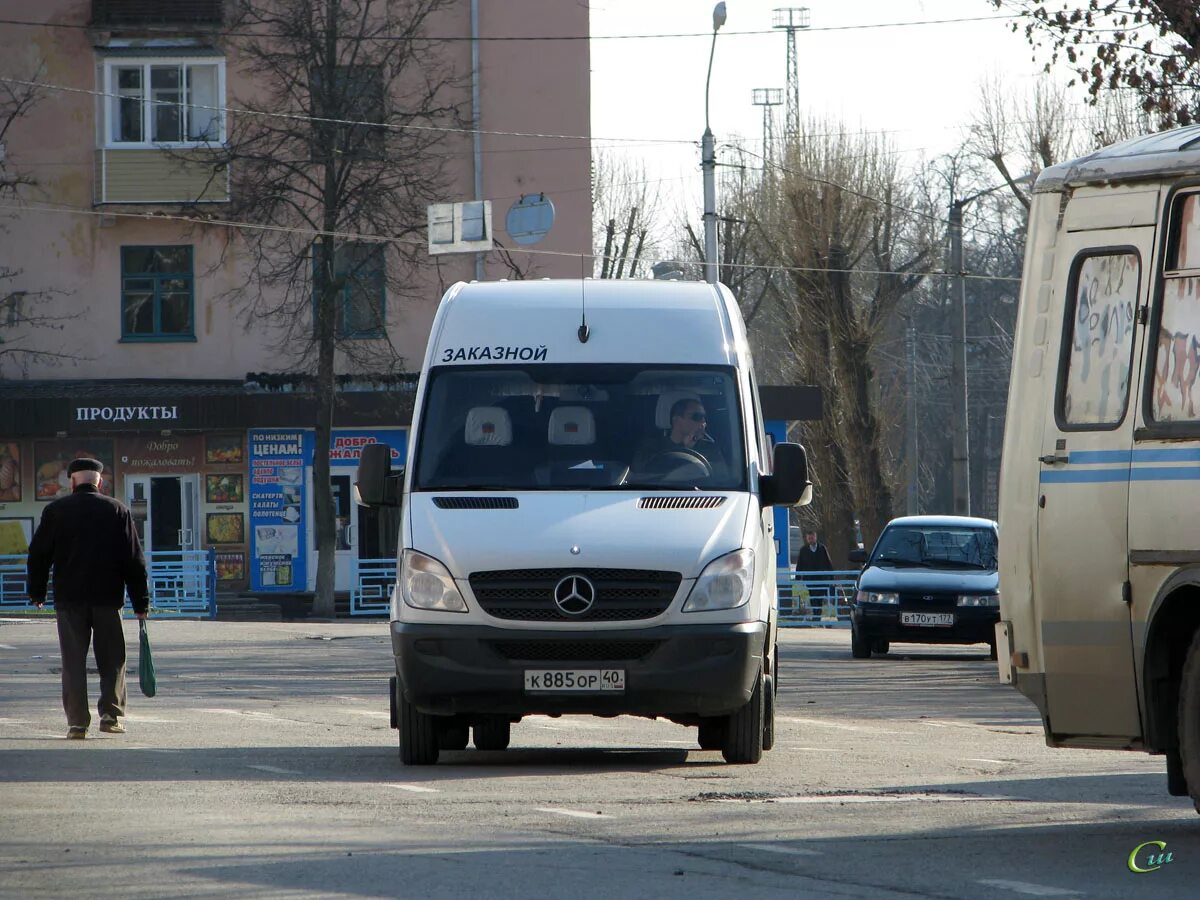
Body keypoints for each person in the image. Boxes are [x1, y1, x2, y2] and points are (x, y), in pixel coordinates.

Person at [26, 458, 149, 739]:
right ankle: (111, 716)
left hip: (70, 600)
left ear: (72, 482)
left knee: (73, 662)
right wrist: (141, 602)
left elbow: (39, 555)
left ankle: (77, 724)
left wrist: (37, 592)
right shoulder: (118, 510)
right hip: (108, 598)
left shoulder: (56, 511)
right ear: (100, 482)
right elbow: (134, 560)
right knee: (113, 659)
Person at [633, 396, 726, 475]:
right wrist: (682, 447)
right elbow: (639, 476)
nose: (703, 423)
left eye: (704, 418)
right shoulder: (650, 447)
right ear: (677, 420)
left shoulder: (710, 449)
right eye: (697, 417)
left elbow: (721, 479)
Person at [794, 529, 834, 623]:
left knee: (819, 597)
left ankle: (817, 616)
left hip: (821, 579)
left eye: (812, 537)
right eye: (809, 538)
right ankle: (815, 616)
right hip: (810, 578)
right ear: (807, 539)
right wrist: (798, 577)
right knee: (813, 596)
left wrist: (831, 577)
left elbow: (828, 563)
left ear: (815, 537)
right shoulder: (803, 550)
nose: (811, 540)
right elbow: (800, 564)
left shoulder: (822, 548)